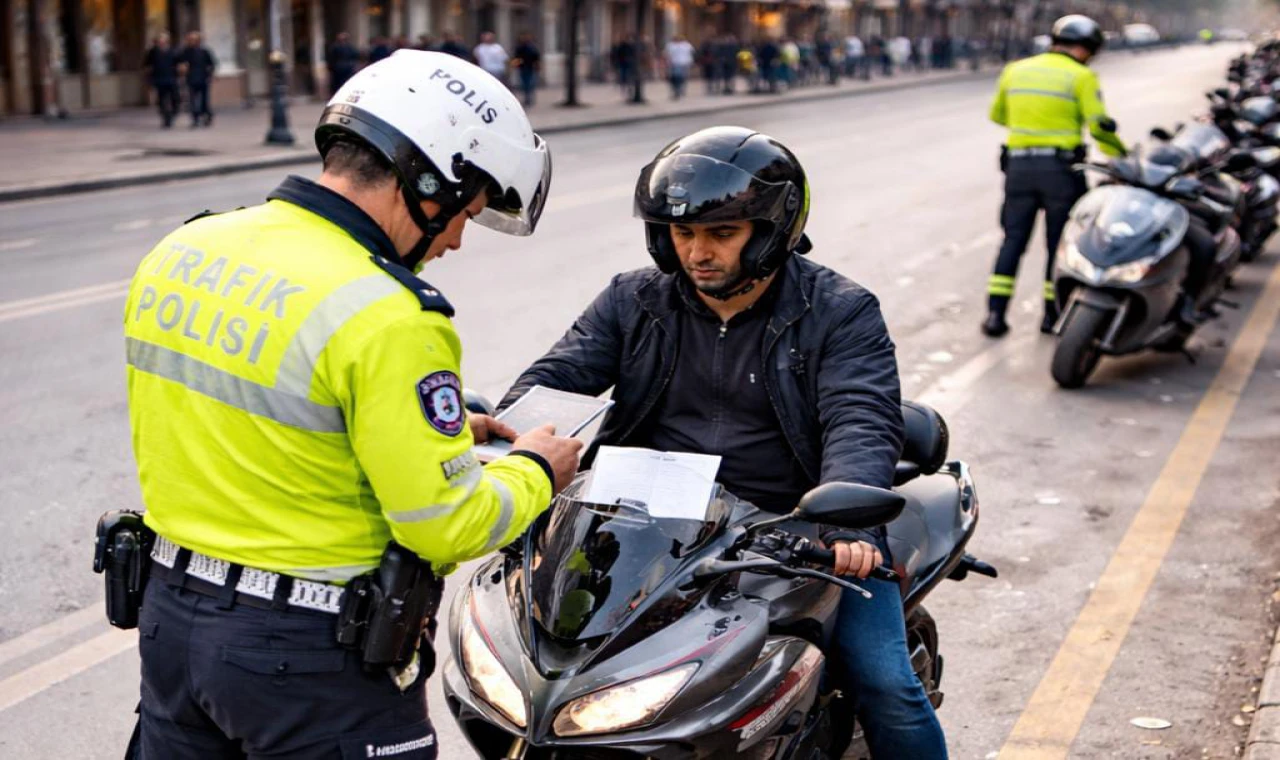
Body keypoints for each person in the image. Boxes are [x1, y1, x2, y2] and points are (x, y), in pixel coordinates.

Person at [120, 51, 579, 758]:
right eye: (464, 212)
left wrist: (420, 435)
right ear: (427, 181)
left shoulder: (187, 247)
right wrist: (535, 470)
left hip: (171, 627)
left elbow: (262, 428)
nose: (456, 239)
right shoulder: (391, 314)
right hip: (303, 660)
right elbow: (447, 524)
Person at [499, 126, 947, 759]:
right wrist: (512, 432)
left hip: (796, 533)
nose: (697, 253)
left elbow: (860, 417)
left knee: (885, 683)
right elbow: (560, 377)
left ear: (769, 233)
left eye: (721, 234)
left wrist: (850, 530)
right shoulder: (635, 299)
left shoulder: (841, 310)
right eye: (683, 233)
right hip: (653, 535)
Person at [983, 15, 1126, 337]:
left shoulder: (1014, 70)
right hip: (1061, 172)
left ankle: (995, 314)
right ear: (1086, 48)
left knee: (1012, 240)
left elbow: (997, 115)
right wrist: (1122, 157)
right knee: (1058, 245)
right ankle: (1052, 316)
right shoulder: (1081, 76)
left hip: (1018, 170)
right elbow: (1099, 126)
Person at [178, 31, 216, 127]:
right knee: (193, 100)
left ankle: (207, 115)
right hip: (191, 79)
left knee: (204, 100)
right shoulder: (186, 51)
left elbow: (211, 63)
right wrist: (182, 68)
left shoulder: (204, 51)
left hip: (203, 78)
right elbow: (180, 63)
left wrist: (210, 73)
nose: (192, 41)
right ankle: (195, 119)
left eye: (194, 39)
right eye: (190, 40)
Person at [142, 33, 180, 128]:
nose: (161, 42)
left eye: (163, 40)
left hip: (171, 78)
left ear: (167, 41)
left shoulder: (172, 51)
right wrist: (149, 78)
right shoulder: (153, 52)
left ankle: (174, 112)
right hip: (159, 78)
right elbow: (147, 65)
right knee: (162, 99)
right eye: (160, 41)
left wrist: (179, 72)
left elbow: (178, 63)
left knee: (175, 98)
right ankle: (166, 118)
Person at [513, 32, 541, 106]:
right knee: (525, 83)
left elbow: (536, 57)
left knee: (529, 83)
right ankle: (528, 97)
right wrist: (516, 64)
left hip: (529, 68)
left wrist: (537, 65)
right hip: (523, 67)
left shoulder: (531, 48)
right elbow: (516, 58)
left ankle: (529, 98)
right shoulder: (520, 48)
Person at [664, 34, 695, 99]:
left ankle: (679, 90)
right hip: (674, 63)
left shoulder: (686, 45)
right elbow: (667, 54)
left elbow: (692, 52)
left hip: (684, 63)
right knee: (675, 78)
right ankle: (677, 91)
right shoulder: (671, 45)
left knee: (682, 78)